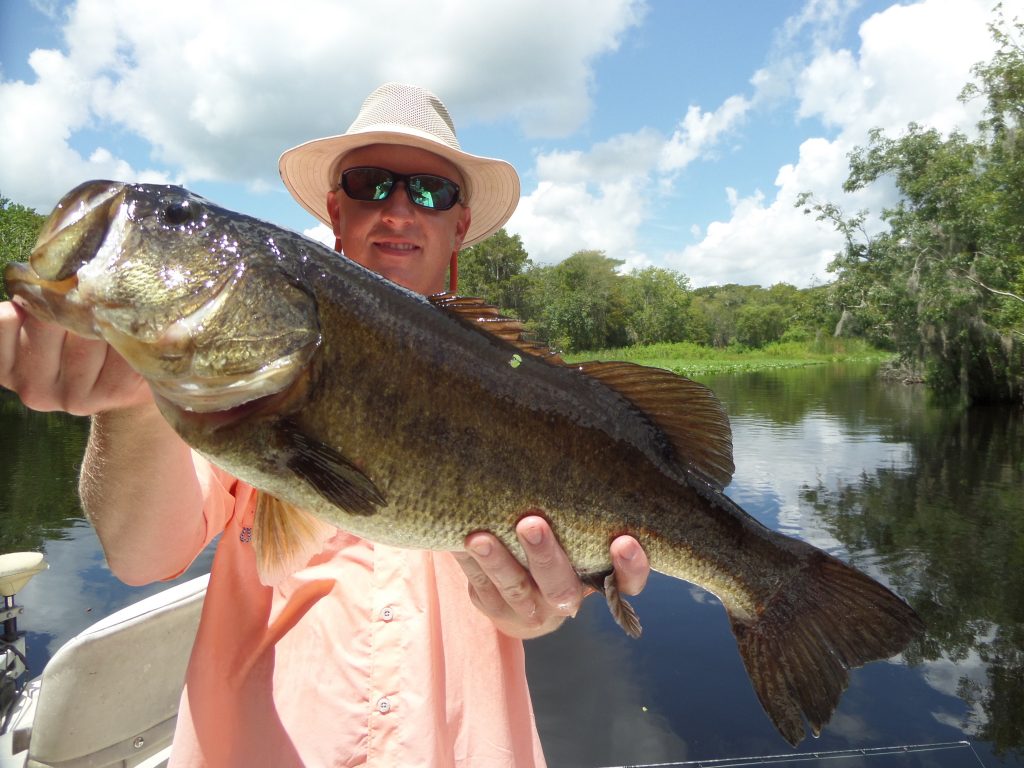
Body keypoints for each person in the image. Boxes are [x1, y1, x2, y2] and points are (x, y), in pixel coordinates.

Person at [0, 82, 650, 766]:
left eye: (430, 191)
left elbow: (550, 587)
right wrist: (128, 404)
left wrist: (545, 607)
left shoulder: (529, 394)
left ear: (459, 226)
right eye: (371, 184)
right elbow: (140, 556)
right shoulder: (248, 384)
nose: (400, 209)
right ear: (337, 211)